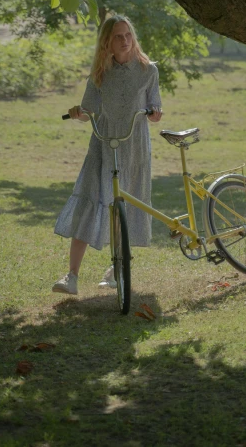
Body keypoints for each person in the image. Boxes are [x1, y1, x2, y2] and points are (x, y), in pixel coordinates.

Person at [52, 15, 162, 296]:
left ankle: (116, 269)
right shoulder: (100, 73)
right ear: (107, 42)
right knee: (90, 203)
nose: (125, 40)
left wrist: (155, 113)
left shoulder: (148, 70)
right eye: (118, 36)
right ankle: (71, 276)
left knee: (125, 207)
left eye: (127, 35)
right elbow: (88, 110)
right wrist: (79, 113)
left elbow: (155, 110)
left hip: (134, 146)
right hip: (102, 143)